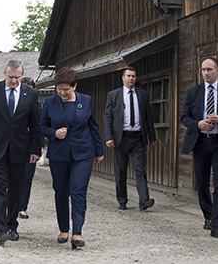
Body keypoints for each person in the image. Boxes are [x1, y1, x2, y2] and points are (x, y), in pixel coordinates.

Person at [0, 60, 41, 243]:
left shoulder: (31, 94)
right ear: (4, 74)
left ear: (22, 75)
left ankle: (12, 225)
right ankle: (1, 229)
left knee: (15, 190)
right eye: (10, 77)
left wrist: (35, 149)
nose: (13, 81)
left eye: (17, 77)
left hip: (20, 148)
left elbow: (35, 124)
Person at [39, 67, 104, 249]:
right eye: (59, 89)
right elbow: (42, 126)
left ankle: (77, 232)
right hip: (59, 154)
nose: (62, 93)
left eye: (66, 89)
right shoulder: (50, 102)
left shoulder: (86, 100)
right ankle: (63, 228)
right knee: (61, 191)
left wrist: (99, 151)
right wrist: (54, 133)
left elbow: (93, 126)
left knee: (78, 190)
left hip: (82, 153)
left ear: (74, 86)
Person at [180, 56, 218, 239]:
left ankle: (217, 225)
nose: (206, 73)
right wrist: (198, 124)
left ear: (217, 71)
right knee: (202, 183)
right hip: (200, 143)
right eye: (203, 70)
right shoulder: (193, 93)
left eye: (209, 69)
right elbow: (184, 118)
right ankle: (208, 216)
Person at [104, 66, 157, 211]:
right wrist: (109, 137)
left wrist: (152, 139)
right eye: (128, 76)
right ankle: (122, 200)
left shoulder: (143, 95)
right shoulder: (114, 95)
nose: (131, 78)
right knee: (121, 170)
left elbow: (148, 118)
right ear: (123, 78)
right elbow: (108, 117)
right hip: (121, 138)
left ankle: (144, 201)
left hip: (138, 137)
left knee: (140, 169)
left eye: (133, 76)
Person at [17, 76, 42, 220]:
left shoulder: (37, 106)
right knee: (13, 177)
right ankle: (10, 204)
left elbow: (39, 127)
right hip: (15, 143)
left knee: (27, 177)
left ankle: (22, 207)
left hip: (30, 144)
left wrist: (38, 146)